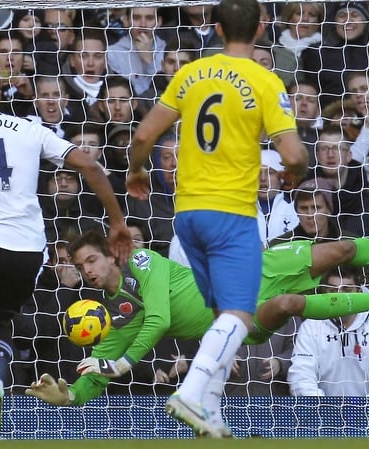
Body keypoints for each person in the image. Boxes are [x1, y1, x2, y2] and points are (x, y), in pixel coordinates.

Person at [26, 229, 369, 437]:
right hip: (239, 316)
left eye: (91, 260)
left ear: (111, 254)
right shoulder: (115, 317)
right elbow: (98, 371)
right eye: (80, 267)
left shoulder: (143, 261)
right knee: (288, 305)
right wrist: (71, 395)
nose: (88, 271)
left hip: (253, 270)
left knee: (339, 250)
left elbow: (160, 320)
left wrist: (122, 362)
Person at [125, 0, 309, 436]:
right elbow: (295, 154)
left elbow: (145, 134)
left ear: (218, 27)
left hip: (186, 215)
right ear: (262, 28)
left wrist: (135, 171)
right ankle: (190, 393)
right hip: (231, 213)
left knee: (220, 315)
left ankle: (211, 415)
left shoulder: (190, 74)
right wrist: (294, 173)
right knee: (241, 316)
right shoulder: (265, 80)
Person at [0, 65, 132, 434]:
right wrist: (118, 221)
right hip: (27, 248)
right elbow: (89, 164)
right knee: (0, 320)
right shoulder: (29, 129)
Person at [288, 267, 369, 397]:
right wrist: (322, 407)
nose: (339, 296)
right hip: (322, 412)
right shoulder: (311, 325)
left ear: (359, 291)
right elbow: (301, 375)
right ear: (324, 293)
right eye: (332, 290)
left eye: (347, 290)